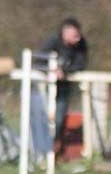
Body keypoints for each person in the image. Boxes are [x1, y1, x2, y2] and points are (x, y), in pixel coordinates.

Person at [29, 18, 88, 159]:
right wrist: (52, 69)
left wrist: (64, 71)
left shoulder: (81, 45)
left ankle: (54, 151)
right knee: (41, 118)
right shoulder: (52, 42)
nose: (77, 39)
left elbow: (81, 64)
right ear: (65, 32)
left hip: (62, 88)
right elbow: (37, 61)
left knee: (59, 119)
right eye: (74, 36)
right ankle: (40, 151)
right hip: (44, 87)